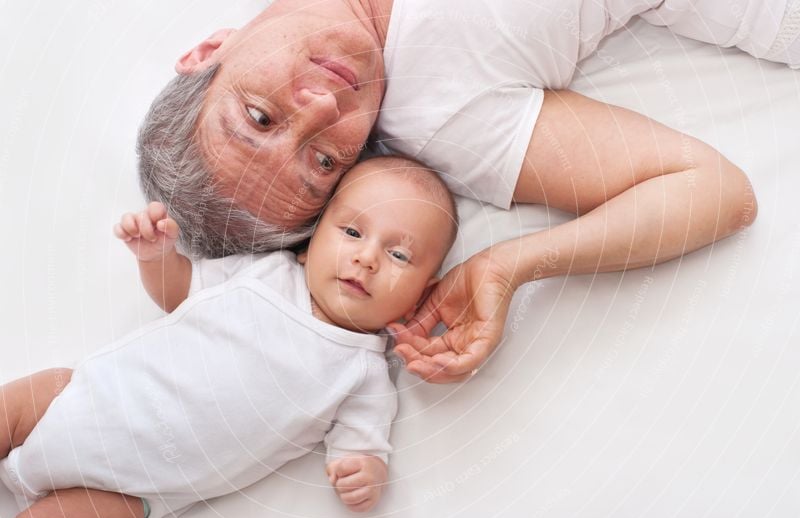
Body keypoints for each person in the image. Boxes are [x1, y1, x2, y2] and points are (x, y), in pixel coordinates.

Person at [137, 0, 798, 383]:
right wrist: (512, 264)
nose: (321, 106)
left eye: (259, 117)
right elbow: (716, 191)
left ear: (208, 50)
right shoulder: (444, 114)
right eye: (324, 157)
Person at [0, 156, 458, 518]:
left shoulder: (365, 375)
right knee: (16, 405)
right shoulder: (264, 272)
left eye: (399, 255)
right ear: (314, 237)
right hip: (83, 397)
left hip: (134, 490)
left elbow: (363, 447)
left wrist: (366, 472)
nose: (367, 257)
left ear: (423, 292)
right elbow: (179, 292)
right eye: (352, 232)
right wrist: (157, 256)